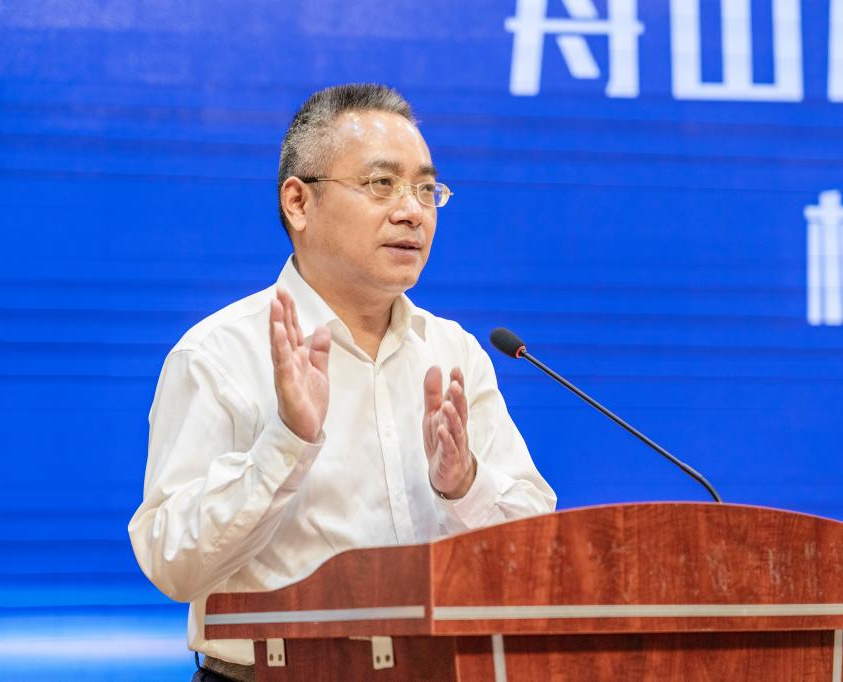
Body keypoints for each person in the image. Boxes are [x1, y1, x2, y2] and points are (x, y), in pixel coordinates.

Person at [127, 83, 556, 680]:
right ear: (298, 203)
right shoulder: (219, 354)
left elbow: (536, 555)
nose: (412, 211)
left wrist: (464, 487)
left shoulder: (452, 351)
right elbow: (172, 563)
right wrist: (286, 442)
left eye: (426, 189)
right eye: (381, 183)